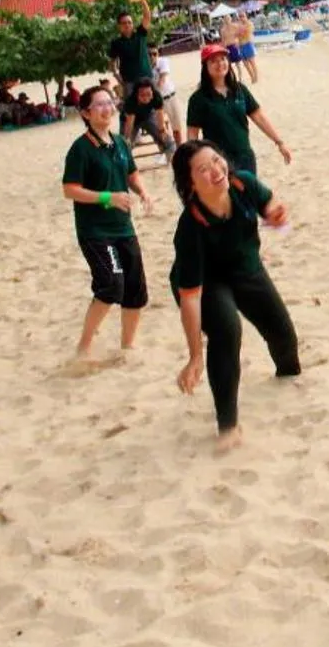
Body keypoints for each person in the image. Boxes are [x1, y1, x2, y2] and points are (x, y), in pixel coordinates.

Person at [169, 140, 301, 452]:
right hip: (208, 283)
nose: (216, 170)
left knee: (283, 335)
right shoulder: (190, 226)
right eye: (203, 169)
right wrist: (194, 355)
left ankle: (288, 379)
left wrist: (276, 217)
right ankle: (227, 424)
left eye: (216, 160)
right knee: (227, 330)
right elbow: (190, 298)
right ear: (190, 183)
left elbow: (270, 209)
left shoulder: (243, 183)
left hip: (246, 268)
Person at [61, 85, 156, 363]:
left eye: (109, 103)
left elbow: (131, 173)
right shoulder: (81, 149)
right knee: (111, 286)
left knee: (136, 289)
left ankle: (127, 347)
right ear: (86, 113)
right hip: (95, 232)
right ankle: (84, 347)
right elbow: (70, 189)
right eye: (99, 105)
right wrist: (107, 197)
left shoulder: (120, 143)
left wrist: (143, 192)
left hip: (123, 228)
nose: (106, 108)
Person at [187, 45, 292, 177]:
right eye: (213, 61)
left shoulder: (240, 90)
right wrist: (193, 161)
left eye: (223, 59)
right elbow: (192, 132)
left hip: (245, 156)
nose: (220, 64)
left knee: (249, 195)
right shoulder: (198, 99)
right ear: (205, 67)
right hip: (217, 161)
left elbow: (259, 117)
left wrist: (279, 142)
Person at [122, 75, 176, 162]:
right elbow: (129, 123)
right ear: (136, 94)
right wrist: (127, 138)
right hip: (131, 120)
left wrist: (162, 130)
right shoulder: (130, 102)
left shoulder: (157, 96)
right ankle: (125, 166)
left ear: (152, 92)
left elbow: (159, 115)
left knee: (167, 139)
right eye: (142, 95)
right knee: (124, 145)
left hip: (148, 116)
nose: (146, 97)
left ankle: (171, 161)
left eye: (148, 94)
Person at [107, 3, 155, 89]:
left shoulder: (140, 34)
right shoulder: (116, 42)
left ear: (133, 24)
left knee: (152, 101)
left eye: (129, 22)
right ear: (119, 26)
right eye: (124, 23)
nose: (127, 25)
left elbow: (147, 16)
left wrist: (142, 0)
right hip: (129, 81)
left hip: (146, 77)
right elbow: (112, 62)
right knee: (132, 102)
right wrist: (117, 76)